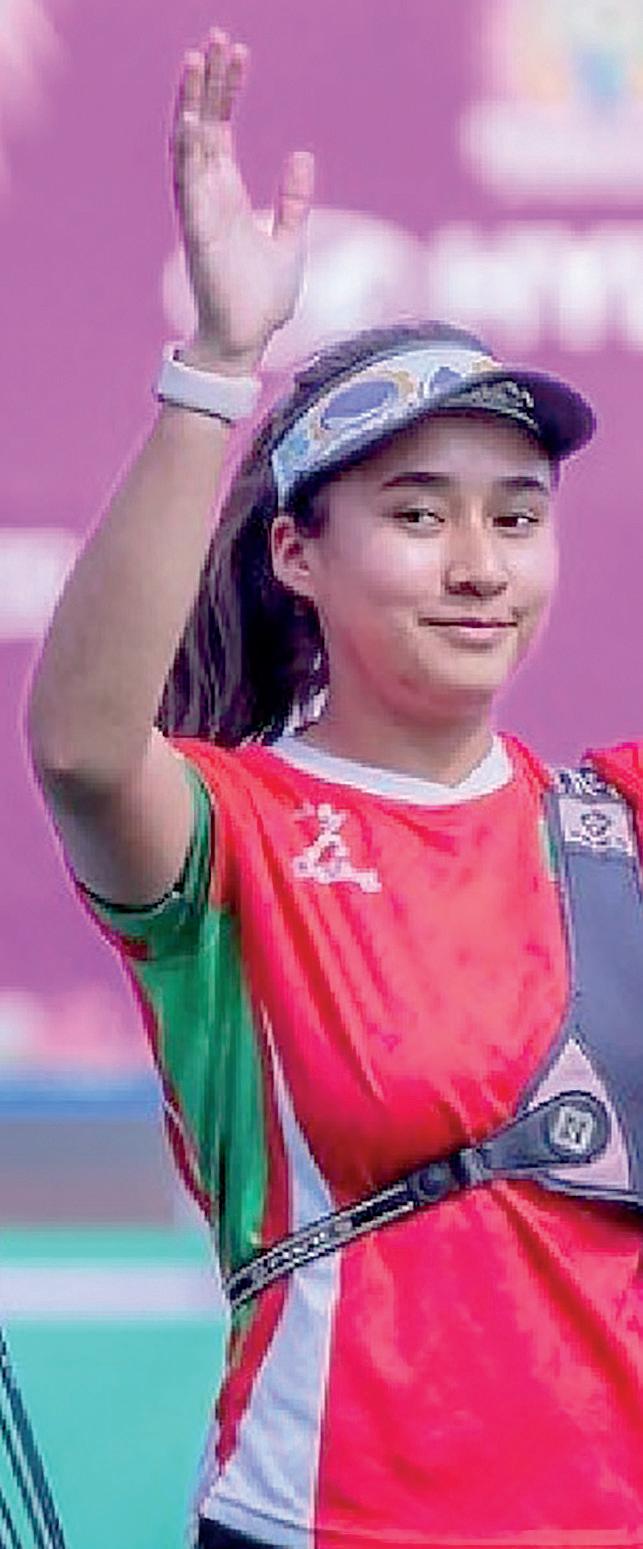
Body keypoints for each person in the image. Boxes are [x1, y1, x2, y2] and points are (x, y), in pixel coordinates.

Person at [25, 24, 643, 1549]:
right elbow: (85, 745)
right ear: (298, 553)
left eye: (517, 516)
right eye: (419, 514)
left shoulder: (618, 820)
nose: (480, 564)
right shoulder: (236, 832)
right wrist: (214, 367)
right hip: (325, 1524)